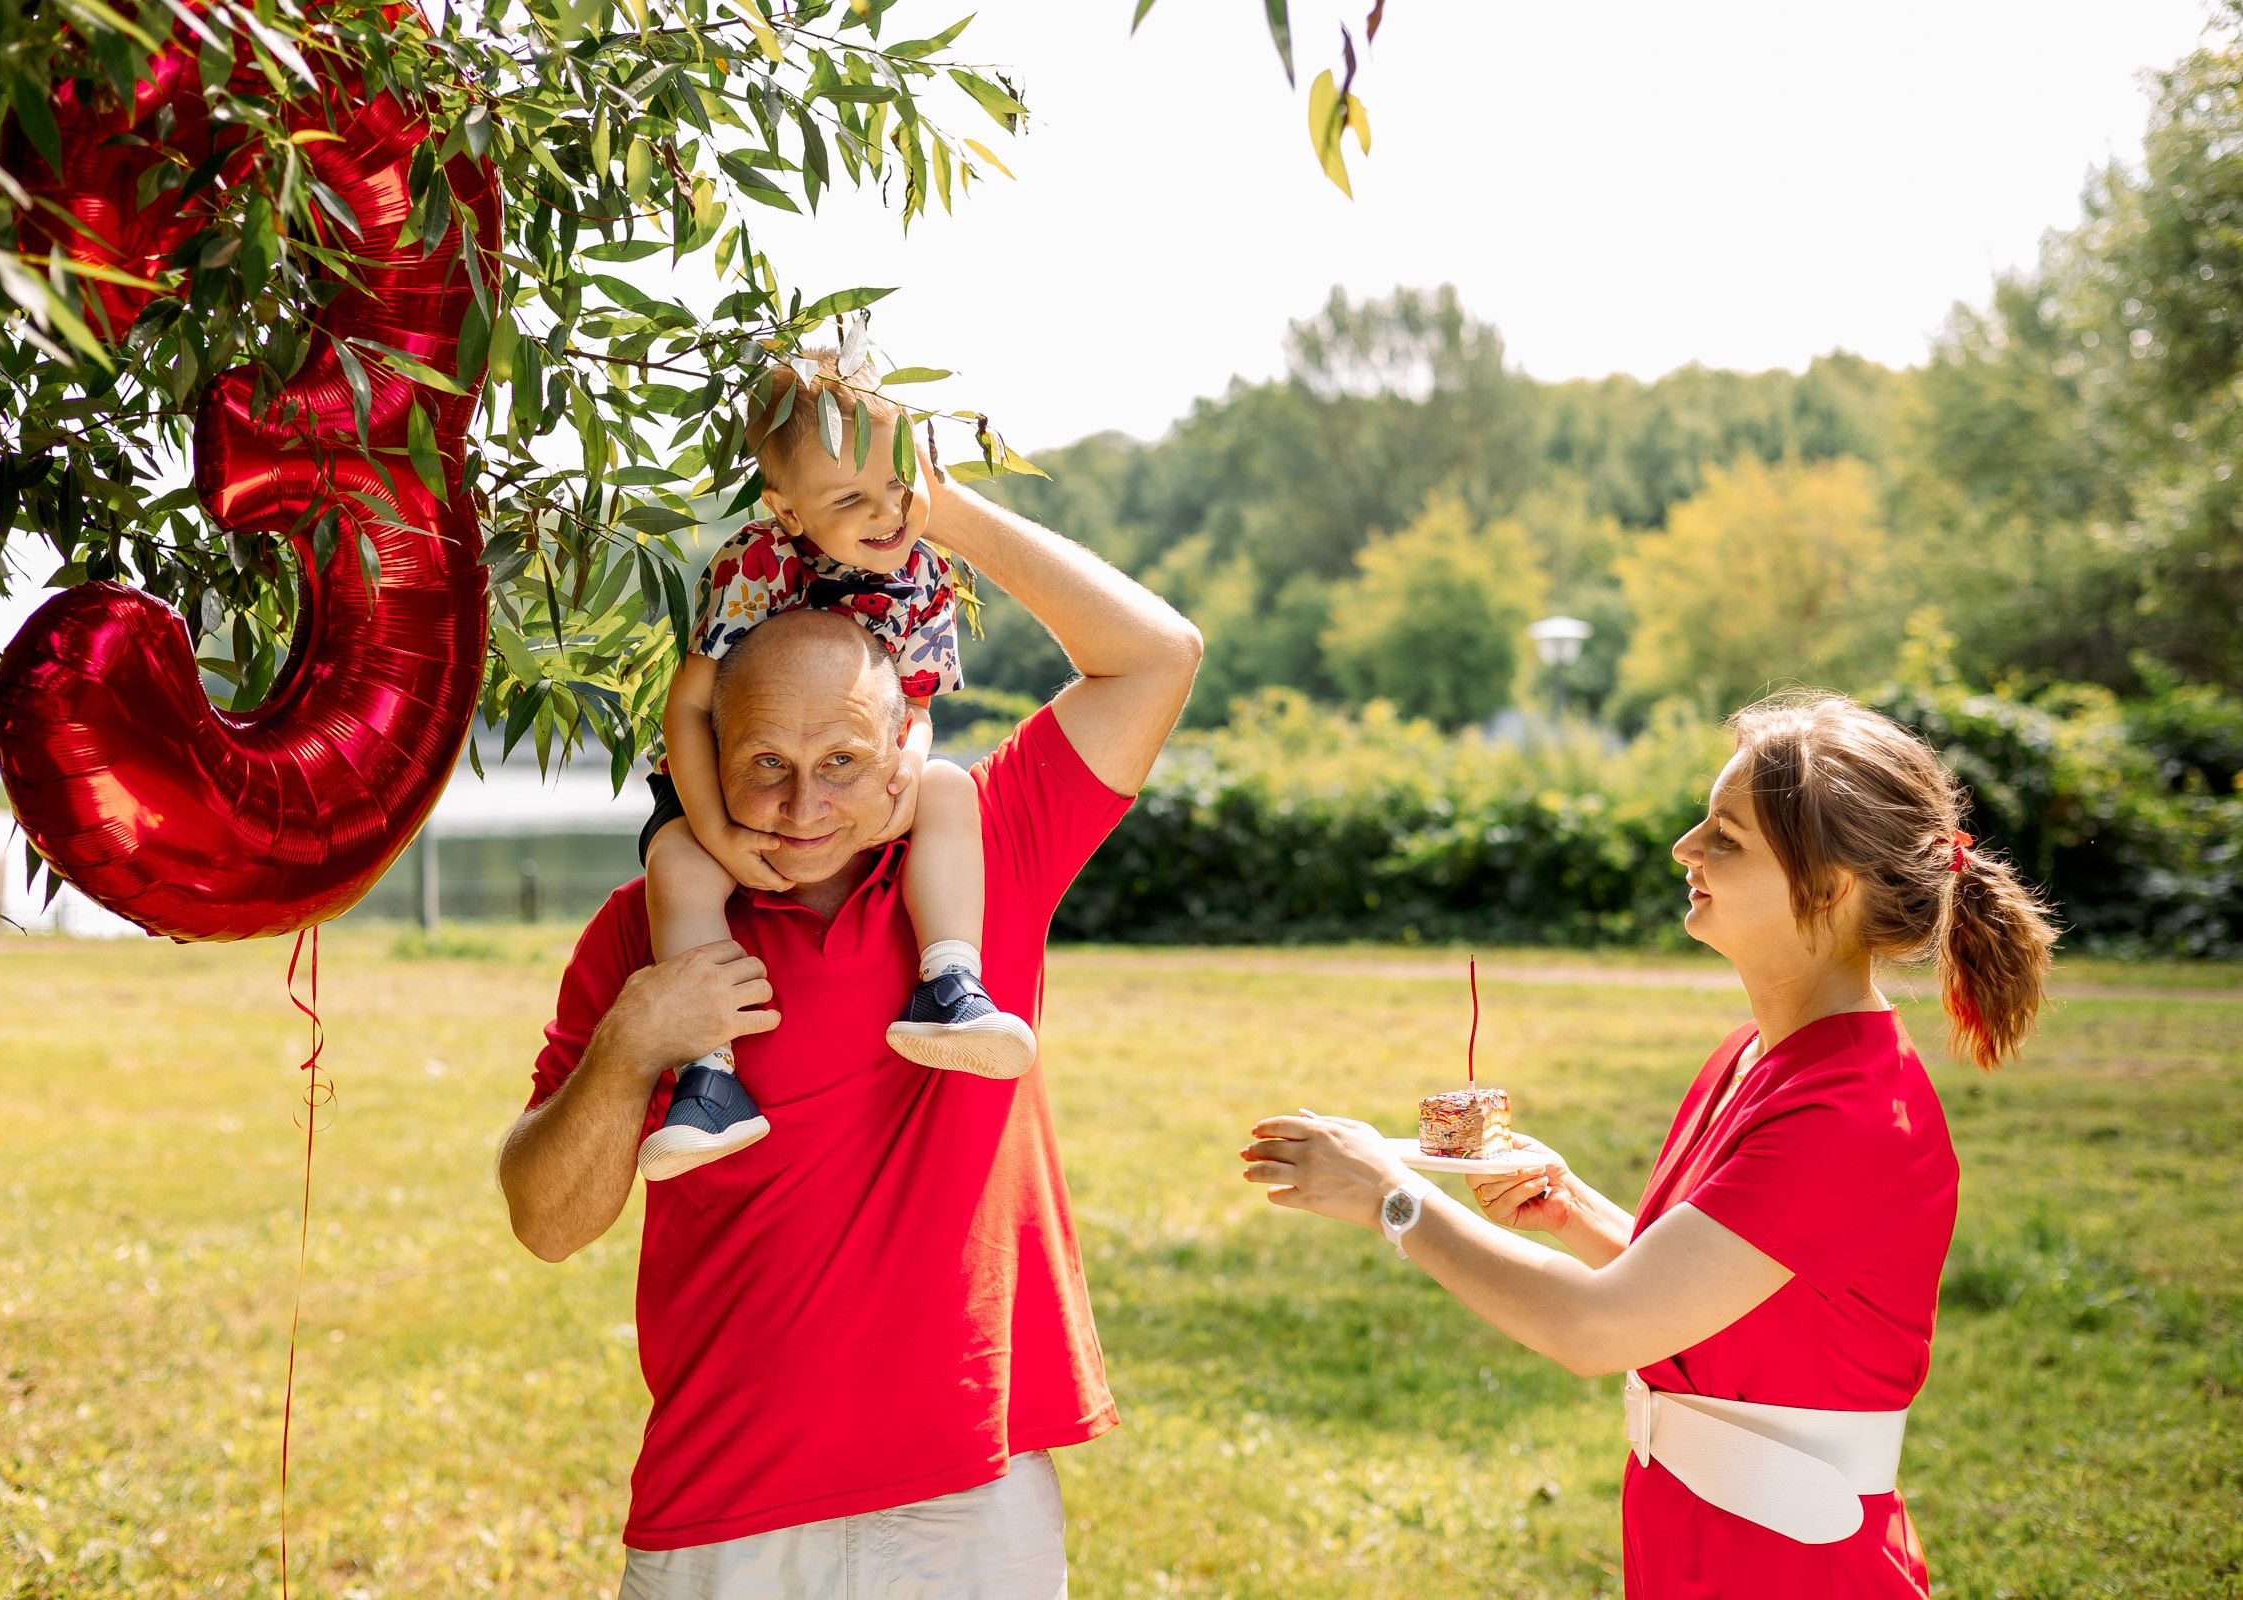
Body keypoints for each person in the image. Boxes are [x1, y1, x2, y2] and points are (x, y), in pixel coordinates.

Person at [497, 452, 1201, 1598]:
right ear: (708, 761)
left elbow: (1158, 654)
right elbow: (546, 1219)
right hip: (725, 1498)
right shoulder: (649, 929)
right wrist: (634, 1042)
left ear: (902, 760)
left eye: (840, 763)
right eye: (764, 764)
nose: (802, 803)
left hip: (970, 1490)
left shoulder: (986, 855)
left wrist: (939, 508)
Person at [1238, 693, 2058, 1598]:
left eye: (1728, 837)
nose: (1685, 848)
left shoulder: (1852, 1114)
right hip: (1699, 1544)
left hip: (1795, 1570)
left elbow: (1597, 1330)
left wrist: (1393, 1201)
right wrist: (1576, 1210)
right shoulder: (1756, 1057)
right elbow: (1719, 1298)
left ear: (1828, 889)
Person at [636, 351, 1028, 1183]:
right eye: (849, 499)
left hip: (867, 761)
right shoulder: (757, 565)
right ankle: (709, 1074)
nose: (888, 512)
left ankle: (951, 983)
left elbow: (916, 704)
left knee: (952, 787)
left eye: (900, 483)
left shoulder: (924, 574)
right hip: (723, 764)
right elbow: (690, 707)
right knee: (678, 868)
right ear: (785, 509)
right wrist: (713, 829)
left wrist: (903, 777)